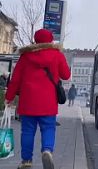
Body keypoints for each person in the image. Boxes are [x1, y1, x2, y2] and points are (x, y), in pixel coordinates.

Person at [4, 29, 71, 169]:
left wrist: (8, 98)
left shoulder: (25, 56)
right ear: (51, 41)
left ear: (35, 40)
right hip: (48, 103)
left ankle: (26, 161)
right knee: (48, 128)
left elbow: (15, 80)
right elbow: (66, 75)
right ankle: (47, 150)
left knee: (27, 131)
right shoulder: (57, 55)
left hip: (28, 102)